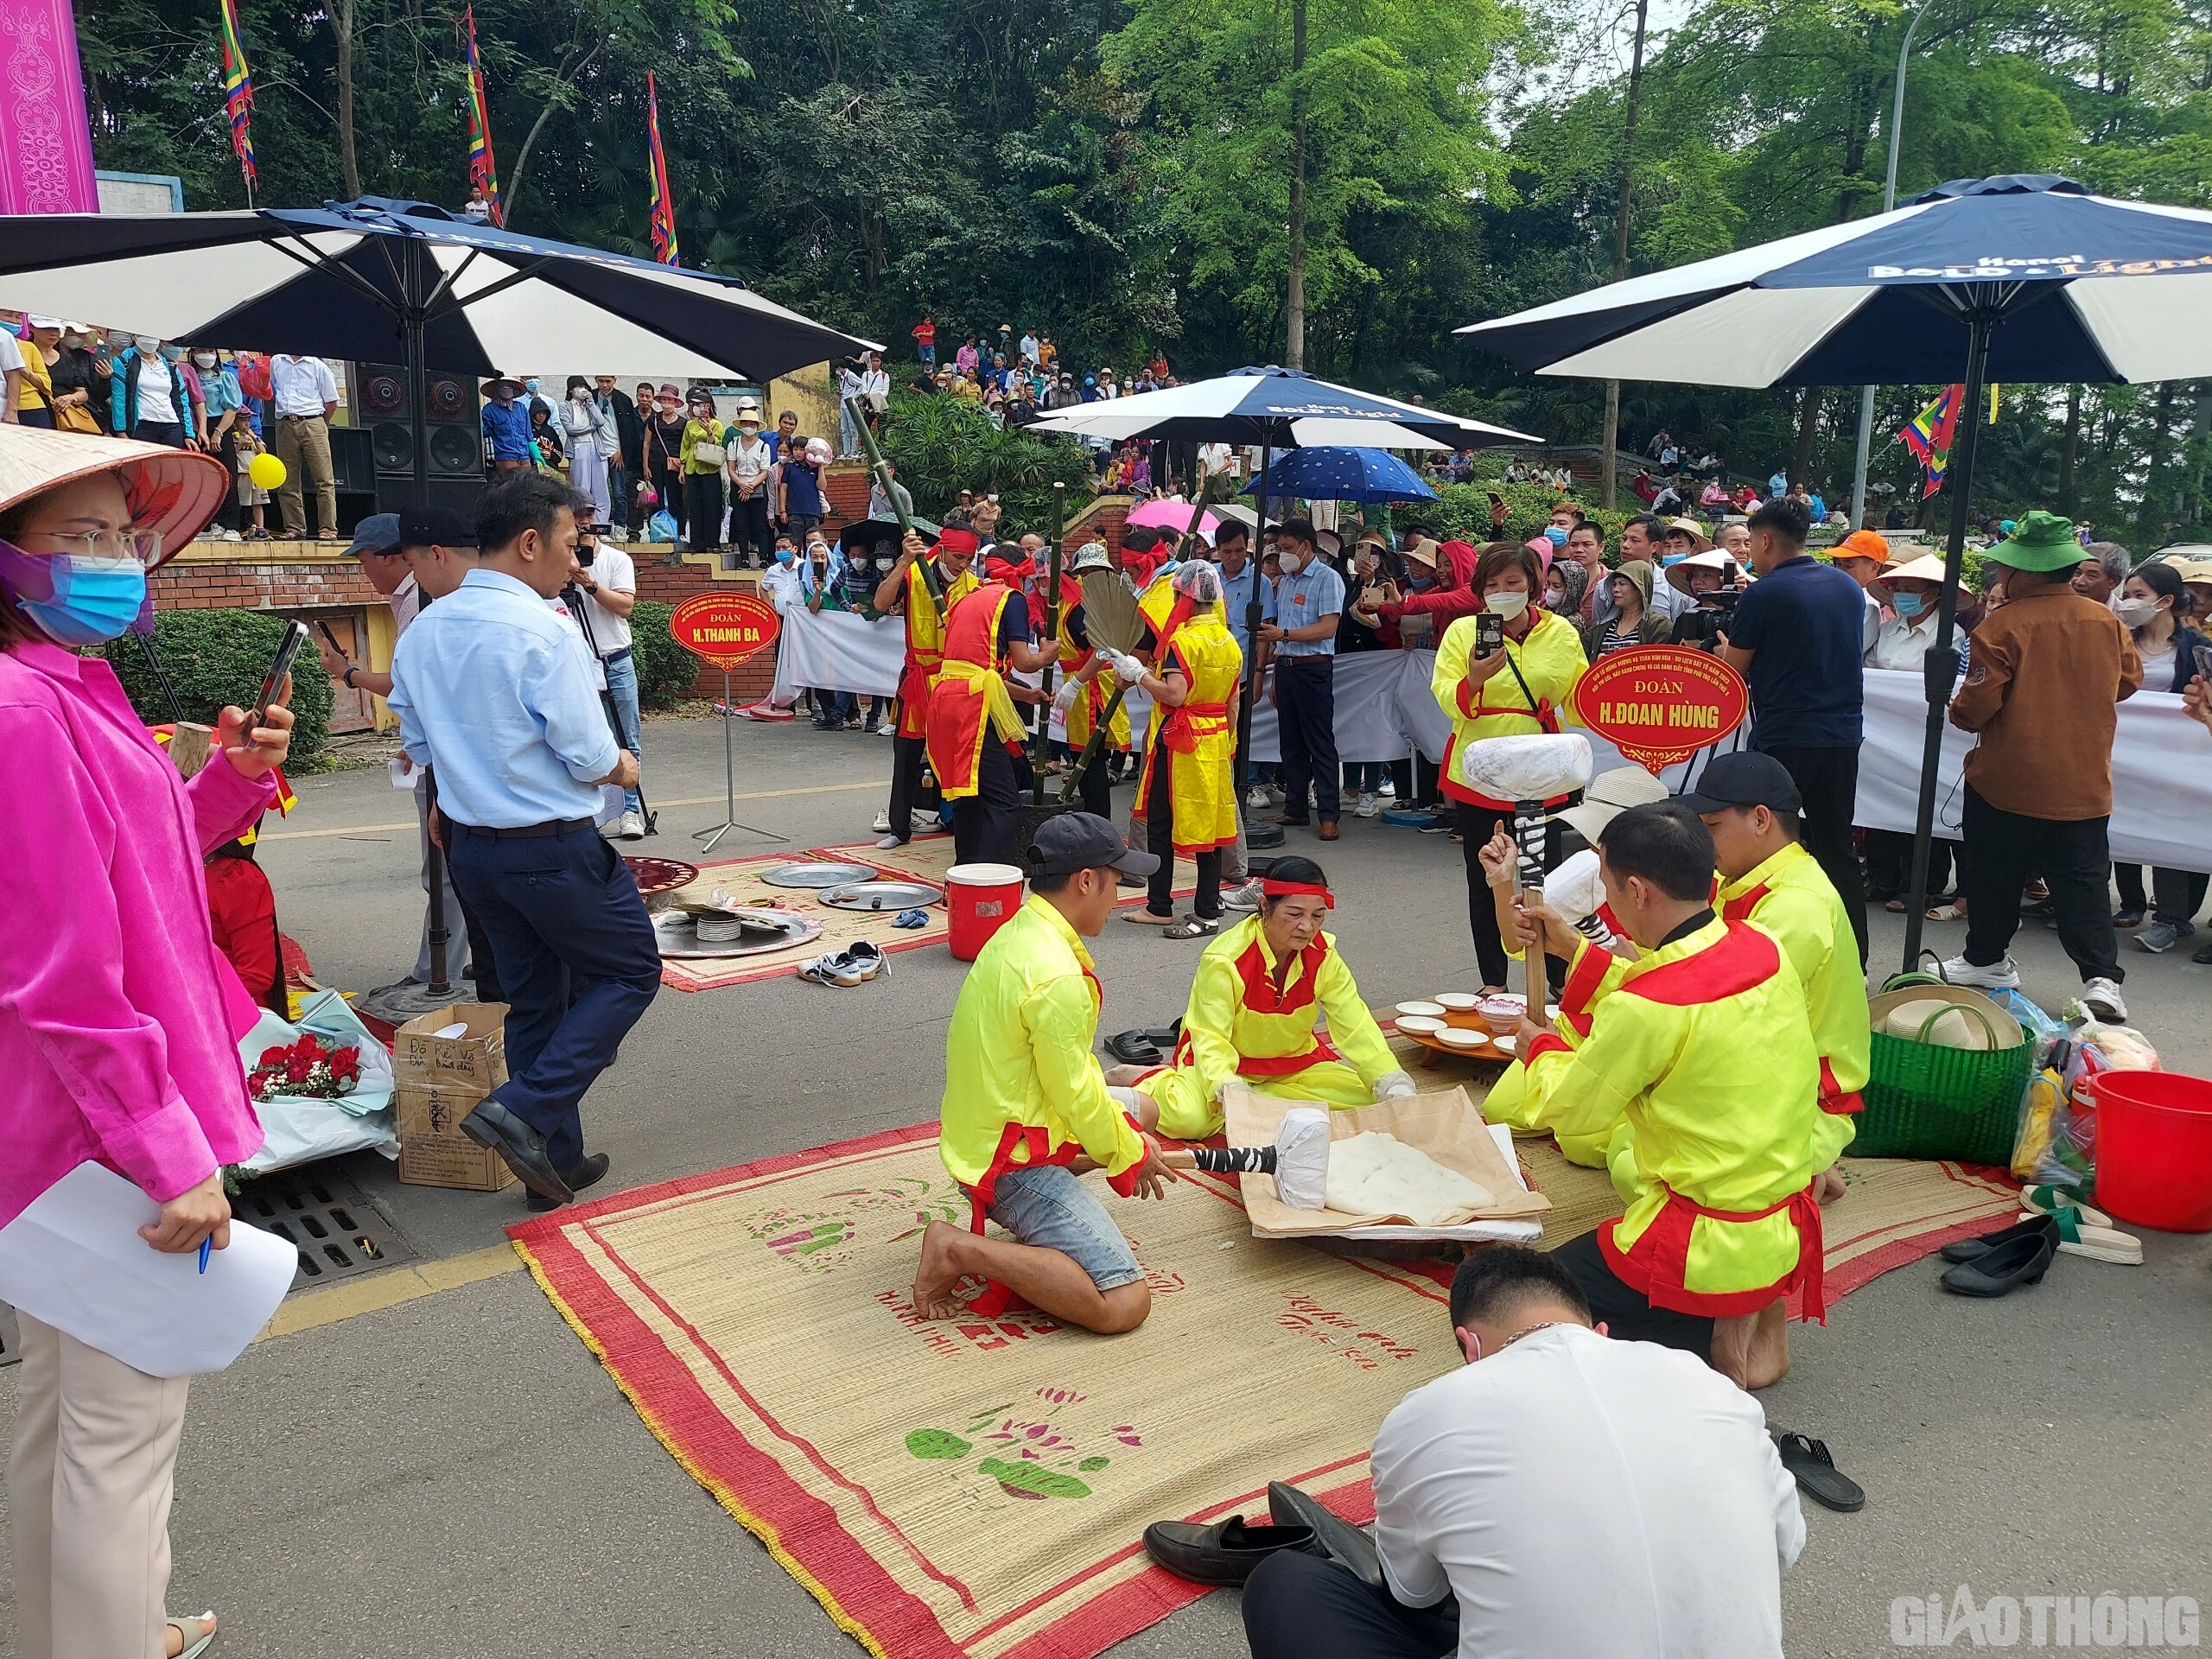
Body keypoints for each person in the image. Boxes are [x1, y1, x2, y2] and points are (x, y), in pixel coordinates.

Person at [3, 426, 295, 1659]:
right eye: (80, 539)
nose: (118, 560)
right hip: (96, 1128)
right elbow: (60, 969)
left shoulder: (67, 687)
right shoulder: (22, 711)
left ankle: (59, 1633)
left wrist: (225, 783)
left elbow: (129, 870)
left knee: (54, 1413)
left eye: (126, 537)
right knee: (121, 1441)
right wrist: (164, 1148)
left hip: (62, 1127)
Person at [1243, 1246, 1803, 1659]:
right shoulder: (1711, 1387)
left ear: (1469, 1346)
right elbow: (1785, 1545)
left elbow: (1413, 1592)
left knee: (1287, 1584)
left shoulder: (1428, 1412)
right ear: (1600, 1331)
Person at [386, 473, 658, 1209]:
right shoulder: (544, 629)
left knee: (536, 1001)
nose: (577, 563)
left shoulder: (426, 628)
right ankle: (525, 1109)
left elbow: (418, 741)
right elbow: (588, 752)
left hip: (475, 852)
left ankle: (552, 1165)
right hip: (551, 847)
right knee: (630, 971)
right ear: (530, 540)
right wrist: (624, 765)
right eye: (571, 545)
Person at [1484, 804, 1823, 1390]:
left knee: (1500, 1299)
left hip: (1698, 1244)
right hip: (1781, 1226)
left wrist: (1537, 1048)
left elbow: (1571, 1106)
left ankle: (1701, 1354)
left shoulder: (1649, 1006)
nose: (1609, 904)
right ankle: (1747, 1316)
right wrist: (1575, 950)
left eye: (1609, 888)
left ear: (1637, 890)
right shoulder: (1759, 945)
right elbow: (1671, 989)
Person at [910, 812, 1174, 1333]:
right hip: (1010, 1157)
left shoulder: (1021, 929)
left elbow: (1065, 1078)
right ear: (1087, 880)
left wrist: (1125, 1136)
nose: (1119, 894)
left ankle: (1051, 1197)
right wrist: (1128, 1152)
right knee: (1125, 1304)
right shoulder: (1056, 974)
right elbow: (1074, 1094)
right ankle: (957, 1247)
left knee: (1142, 1108)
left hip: (986, 1125)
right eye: (1117, 880)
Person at [1942, 512, 2139, 1021]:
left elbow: (1974, 708)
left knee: (1993, 875)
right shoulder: (2107, 623)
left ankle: (1986, 959)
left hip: (2008, 779)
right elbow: (2128, 683)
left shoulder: (2002, 625)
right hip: (2084, 781)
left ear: (2023, 572)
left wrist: (1956, 707)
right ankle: (2101, 980)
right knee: (2084, 882)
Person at [1678, 753, 1868, 1191]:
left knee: (1631, 1156)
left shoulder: (1797, 904)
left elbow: (1719, 1007)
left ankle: (1804, 1162)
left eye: (1713, 827)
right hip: (1764, 1079)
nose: (1704, 842)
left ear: (1761, 819)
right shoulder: (1750, 878)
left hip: (1798, 1099)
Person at [1118, 856, 1414, 1137]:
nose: (1307, 926)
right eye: (1294, 914)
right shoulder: (1225, 958)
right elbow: (1209, 1036)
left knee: (1369, 1102)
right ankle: (1154, 1081)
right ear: (1264, 906)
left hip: (1292, 1062)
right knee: (1190, 1121)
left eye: (1318, 915)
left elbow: (1354, 1022)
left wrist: (1389, 1077)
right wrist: (1228, 1086)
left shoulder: (1323, 955)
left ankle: (1261, 1102)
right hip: (1226, 1065)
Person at [1719, 497, 1870, 965]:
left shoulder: (1763, 593)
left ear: (1765, 540)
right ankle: (1853, 958)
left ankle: (1758, 952)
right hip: (1842, 734)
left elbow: (1733, 672)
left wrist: (1723, 646)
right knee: (1834, 845)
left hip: (1785, 733)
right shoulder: (1847, 588)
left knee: (1763, 845)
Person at [1432, 540, 1587, 993]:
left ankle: (1557, 978)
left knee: (1552, 876)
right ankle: (1493, 981)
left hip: (1545, 768)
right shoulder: (1463, 631)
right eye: (1492, 584)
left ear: (1534, 584)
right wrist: (1475, 678)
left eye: (1513, 582)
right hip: (1482, 768)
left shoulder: (1562, 632)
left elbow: (1579, 699)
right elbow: (1444, 694)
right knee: (1487, 876)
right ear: (1480, 590)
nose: (1503, 592)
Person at [1116, 560, 1243, 934]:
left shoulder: (1182, 641)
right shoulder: (1229, 641)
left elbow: (1175, 693)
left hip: (1180, 739)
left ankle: (1160, 905)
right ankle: (1206, 907)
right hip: (1215, 740)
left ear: (1180, 596)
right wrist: (1225, 743)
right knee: (1212, 828)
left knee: (1161, 823)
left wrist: (1139, 674)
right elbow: (1233, 703)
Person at [925, 550, 1059, 865]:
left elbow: (975, 668)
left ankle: (965, 871)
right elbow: (1025, 662)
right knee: (1004, 802)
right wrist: (1047, 655)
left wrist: (1026, 697)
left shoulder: (966, 598)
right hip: (971, 705)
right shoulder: (1010, 599)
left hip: (946, 699)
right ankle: (987, 877)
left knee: (968, 796)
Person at [2107, 560, 2208, 951]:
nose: (2129, 602)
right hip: (2116, 751)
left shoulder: (2198, 649)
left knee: (2168, 832)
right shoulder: (2115, 639)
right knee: (2117, 826)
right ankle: (2128, 903)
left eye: (2139, 596)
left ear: (2166, 601)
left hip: (2174, 760)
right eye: (2127, 595)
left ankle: (2171, 918)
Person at [1861, 554, 1969, 912]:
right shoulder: (1887, 629)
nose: (1903, 596)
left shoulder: (1949, 635)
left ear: (1933, 595)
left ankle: (1920, 884)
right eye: (1899, 589)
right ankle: (1882, 877)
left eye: (1912, 590)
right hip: (1881, 734)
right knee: (1879, 801)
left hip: (1923, 733)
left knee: (1922, 803)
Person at [874, 522, 982, 846]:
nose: (962, 565)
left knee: (957, 756)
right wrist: (904, 562)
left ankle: (961, 825)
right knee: (906, 755)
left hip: (954, 681)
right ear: (944, 549)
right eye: (958, 556)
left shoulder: (974, 586)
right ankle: (899, 828)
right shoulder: (914, 574)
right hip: (918, 678)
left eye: (969, 558)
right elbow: (880, 604)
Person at [1260, 518, 1344, 841]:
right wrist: (1275, 677)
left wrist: (1283, 634)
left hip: (1314, 668)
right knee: (1290, 742)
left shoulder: (1327, 579)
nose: (1283, 556)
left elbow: (1327, 629)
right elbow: (1281, 635)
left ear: (1306, 546)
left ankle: (1329, 815)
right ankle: (1296, 807)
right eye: (1280, 549)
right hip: (1286, 666)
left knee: (1319, 741)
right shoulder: (1287, 582)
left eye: (1287, 549)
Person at [569, 521, 645, 840]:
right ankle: (594, 815)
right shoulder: (557, 562)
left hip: (615, 659)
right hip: (578, 663)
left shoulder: (616, 560)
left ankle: (630, 812)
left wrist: (589, 584)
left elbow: (625, 607)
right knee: (588, 742)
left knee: (627, 740)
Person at [268, 352, 340, 540]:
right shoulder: (276, 361)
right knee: (287, 479)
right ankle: (294, 527)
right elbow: (270, 388)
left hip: (313, 420)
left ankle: (328, 528)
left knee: (324, 479)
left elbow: (332, 402)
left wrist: (320, 423)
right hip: (284, 423)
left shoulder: (317, 365)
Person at [106, 334, 191, 448]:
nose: (149, 338)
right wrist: (121, 431)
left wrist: (188, 434)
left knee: (172, 464)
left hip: (171, 425)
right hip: (141, 425)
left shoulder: (170, 366)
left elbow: (181, 400)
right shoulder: (123, 362)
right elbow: (119, 399)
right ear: (134, 336)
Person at [557, 375, 617, 529]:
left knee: (601, 489)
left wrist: (590, 401)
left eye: (585, 387)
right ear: (571, 390)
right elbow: (570, 429)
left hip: (597, 449)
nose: (583, 390)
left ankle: (601, 525)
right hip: (578, 448)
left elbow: (601, 421)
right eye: (579, 387)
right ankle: (582, 525)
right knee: (582, 489)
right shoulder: (565, 406)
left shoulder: (590, 405)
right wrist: (591, 427)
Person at [1580, 559, 1669, 657]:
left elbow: (1658, 664)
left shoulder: (1658, 624)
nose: (1615, 590)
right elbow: (1579, 652)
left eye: (1622, 584)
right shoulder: (1601, 626)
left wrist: (1625, 661)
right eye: (1614, 584)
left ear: (1639, 589)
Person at [723, 403, 776, 569]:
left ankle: (763, 558)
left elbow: (764, 471)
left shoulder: (763, 446)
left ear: (757, 427)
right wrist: (741, 485)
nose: (748, 427)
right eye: (745, 424)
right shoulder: (734, 444)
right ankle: (744, 559)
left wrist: (750, 486)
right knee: (741, 524)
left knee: (760, 525)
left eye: (752, 424)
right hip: (738, 486)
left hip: (758, 488)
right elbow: (731, 468)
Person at [678, 389, 726, 556]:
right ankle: (696, 542)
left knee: (711, 507)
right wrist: (682, 468)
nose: (696, 407)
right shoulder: (690, 424)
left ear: (707, 405)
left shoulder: (716, 424)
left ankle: (713, 542)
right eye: (693, 404)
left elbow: (718, 445)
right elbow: (684, 446)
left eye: (699, 404)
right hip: (693, 468)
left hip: (709, 468)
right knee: (695, 507)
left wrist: (709, 432)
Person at [639, 385, 687, 542]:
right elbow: (646, 443)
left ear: (675, 402)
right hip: (655, 464)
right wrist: (645, 466)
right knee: (655, 499)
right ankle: (656, 532)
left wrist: (683, 468)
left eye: (670, 399)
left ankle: (679, 532)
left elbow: (685, 445)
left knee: (676, 499)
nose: (667, 402)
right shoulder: (653, 420)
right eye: (664, 399)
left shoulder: (683, 422)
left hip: (675, 466)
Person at [779, 430, 827, 548]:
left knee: (812, 544)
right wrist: (783, 510)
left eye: (801, 449)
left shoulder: (815, 468)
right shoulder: (789, 467)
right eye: (795, 449)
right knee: (796, 543)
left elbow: (822, 487)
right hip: (794, 512)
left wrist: (820, 466)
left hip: (812, 512)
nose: (798, 452)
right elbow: (783, 489)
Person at [480, 377, 529, 474]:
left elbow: (528, 434)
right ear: (496, 389)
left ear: (514, 390)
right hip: (505, 456)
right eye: (502, 386)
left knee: (527, 485)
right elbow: (485, 432)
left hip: (524, 455)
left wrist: (536, 455)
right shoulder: (489, 409)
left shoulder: (521, 408)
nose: (506, 388)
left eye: (509, 386)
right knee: (510, 485)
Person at [2072, 540, 2131, 607]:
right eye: (2077, 573)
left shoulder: (2123, 616)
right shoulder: (2059, 607)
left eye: (2091, 576)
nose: (2079, 582)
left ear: (2114, 582)